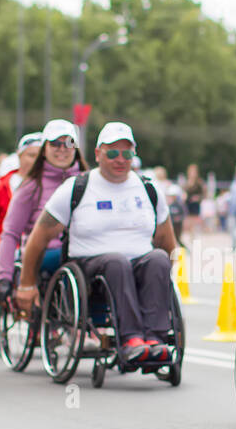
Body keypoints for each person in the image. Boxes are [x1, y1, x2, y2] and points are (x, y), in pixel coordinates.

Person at [15, 121, 177, 366]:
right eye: (112, 152)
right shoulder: (77, 187)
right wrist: (26, 283)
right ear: (98, 153)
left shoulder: (148, 188)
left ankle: (155, 340)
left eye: (127, 153)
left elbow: (167, 241)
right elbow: (39, 238)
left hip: (139, 264)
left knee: (158, 259)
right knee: (116, 261)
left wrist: (164, 278)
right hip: (90, 268)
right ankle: (131, 339)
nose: (120, 159)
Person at [0, 120, 85, 302]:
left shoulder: (87, 181)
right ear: (44, 149)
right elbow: (11, 233)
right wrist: (4, 277)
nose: (62, 149)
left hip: (85, 250)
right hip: (45, 254)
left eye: (69, 143)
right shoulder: (32, 187)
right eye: (55, 143)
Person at [0, 132, 42, 254]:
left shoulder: (53, 186)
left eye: (40, 157)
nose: (36, 161)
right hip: (9, 254)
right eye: (32, 155)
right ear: (20, 156)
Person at [182, 164, 205, 238]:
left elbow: (203, 194)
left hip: (195, 205)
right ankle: (191, 238)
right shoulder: (187, 182)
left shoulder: (199, 182)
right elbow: (184, 192)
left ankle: (195, 238)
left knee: (195, 223)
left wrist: (198, 198)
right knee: (188, 223)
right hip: (188, 204)